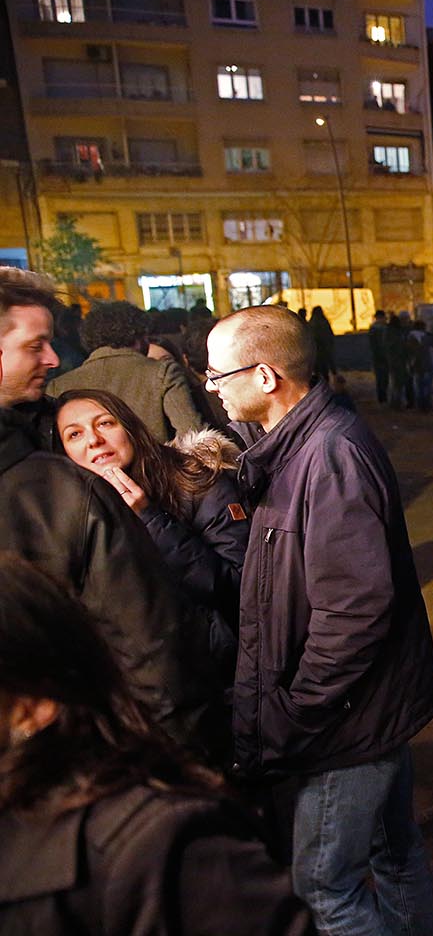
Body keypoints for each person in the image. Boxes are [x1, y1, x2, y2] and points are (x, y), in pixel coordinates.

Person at [204, 305, 433, 934]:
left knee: (323, 887)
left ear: (264, 376)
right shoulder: (296, 446)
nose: (211, 387)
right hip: (361, 712)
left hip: (344, 721)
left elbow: (355, 609)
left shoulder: (328, 453)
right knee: (394, 855)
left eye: (216, 375)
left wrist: (299, 707)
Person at [0, 553, 314, 935]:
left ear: (30, 705)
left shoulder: (160, 853)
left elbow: (229, 583)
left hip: (312, 729)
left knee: (336, 876)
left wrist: (297, 708)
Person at [0, 272, 211, 751]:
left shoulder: (51, 437)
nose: (52, 360)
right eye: (36, 347)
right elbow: (150, 650)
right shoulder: (64, 487)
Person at [54, 389, 246, 693]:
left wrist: (150, 519)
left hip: (214, 679)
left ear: (129, 427)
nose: (93, 440)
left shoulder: (197, 481)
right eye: (74, 434)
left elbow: (239, 586)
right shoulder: (69, 516)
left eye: (105, 423)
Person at [47, 301, 205, 442]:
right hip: (155, 472)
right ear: (139, 336)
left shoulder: (57, 386)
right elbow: (193, 435)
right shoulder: (163, 372)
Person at [307, 306, 336, 380]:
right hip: (324, 349)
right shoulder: (324, 322)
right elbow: (329, 334)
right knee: (325, 368)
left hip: (315, 350)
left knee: (317, 370)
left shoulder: (311, 323)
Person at [369, 310, 390, 404]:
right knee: (383, 378)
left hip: (378, 357)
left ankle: (382, 397)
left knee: (381, 378)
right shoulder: (383, 328)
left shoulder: (374, 328)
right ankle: (383, 397)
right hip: (382, 357)